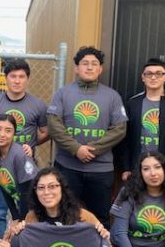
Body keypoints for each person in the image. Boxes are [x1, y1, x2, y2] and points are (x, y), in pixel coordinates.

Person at [47, 46, 128, 228]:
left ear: (100, 69)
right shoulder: (62, 93)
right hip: (67, 167)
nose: (89, 67)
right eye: (85, 63)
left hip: (101, 171)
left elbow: (120, 128)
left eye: (94, 64)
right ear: (76, 68)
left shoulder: (112, 96)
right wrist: (76, 149)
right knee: (64, 214)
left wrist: (93, 149)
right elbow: (54, 124)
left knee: (100, 219)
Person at [0, 58, 48, 242]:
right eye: (13, 76)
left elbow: (46, 131)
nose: (17, 80)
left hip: (22, 167)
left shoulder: (37, 105)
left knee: (23, 211)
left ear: (27, 79)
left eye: (21, 76)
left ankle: (20, 246)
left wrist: (32, 144)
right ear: (6, 78)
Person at [116, 58, 165, 180]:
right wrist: (126, 168)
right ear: (143, 77)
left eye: (158, 73)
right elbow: (125, 138)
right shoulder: (133, 103)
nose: (153, 77)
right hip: (138, 168)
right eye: (149, 74)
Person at [0, 114, 38, 236]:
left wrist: (21, 220)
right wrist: (15, 216)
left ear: (14, 134)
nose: (2, 134)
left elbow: (27, 192)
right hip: (23, 209)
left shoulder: (19, 154)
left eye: (8, 130)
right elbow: (5, 188)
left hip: (37, 208)